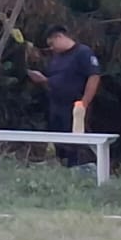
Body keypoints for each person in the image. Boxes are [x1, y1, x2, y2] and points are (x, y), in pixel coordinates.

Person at [26, 26, 101, 166]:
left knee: (76, 142)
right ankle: (63, 164)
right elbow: (56, 80)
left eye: (52, 44)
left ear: (59, 37)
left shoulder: (82, 52)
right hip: (56, 105)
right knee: (59, 142)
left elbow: (94, 76)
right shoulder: (57, 58)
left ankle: (80, 166)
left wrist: (84, 103)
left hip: (75, 105)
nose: (51, 48)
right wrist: (43, 80)